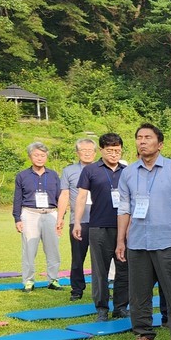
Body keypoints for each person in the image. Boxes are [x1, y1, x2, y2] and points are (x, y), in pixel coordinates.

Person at [116, 124, 171, 340]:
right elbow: (124, 208)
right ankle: (143, 334)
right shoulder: (128, 172)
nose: (142, 141)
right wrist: (121, 240)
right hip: (137, 240)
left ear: (160, 144)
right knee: (138, 291)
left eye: (148, 137)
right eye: (139, 137)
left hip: (167, 238)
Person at [73, 133, 129, 322]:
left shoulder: (127, 170)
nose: (114, 154)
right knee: (100, 270)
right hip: (98, 226)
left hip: (124, 227)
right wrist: (78, 222)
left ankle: (121, 307)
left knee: (124, 269)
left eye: (117, 150)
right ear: (102, 150)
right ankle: (102, 309)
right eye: (110, 150)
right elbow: (81, 197)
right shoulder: (91, 170)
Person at [12, 141, 63, 291]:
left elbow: (60, 197)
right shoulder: (22, 175)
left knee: (53, 249)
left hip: (51, 213)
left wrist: (61, 217)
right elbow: (17, 199)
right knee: (29, 248)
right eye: (36, 155)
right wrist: (17, 218)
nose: (40, 158)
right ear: (30, 156)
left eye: (43, 155)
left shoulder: (53, 175)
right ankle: (28, 280)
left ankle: (53, 279)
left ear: (46, 157)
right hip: (30, 213)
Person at [57, 138, 97, 300]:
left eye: (90, 150)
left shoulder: (102, 169)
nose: (87, 153)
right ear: (77, 153)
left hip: (100, 221)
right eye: (83, 150)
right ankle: (77, 289)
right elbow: (64, 195)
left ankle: (101, 290)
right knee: (78, 258)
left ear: (95, 152)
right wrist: (60, 218)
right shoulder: (69, 171)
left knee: (100, 260)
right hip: (78, 222)